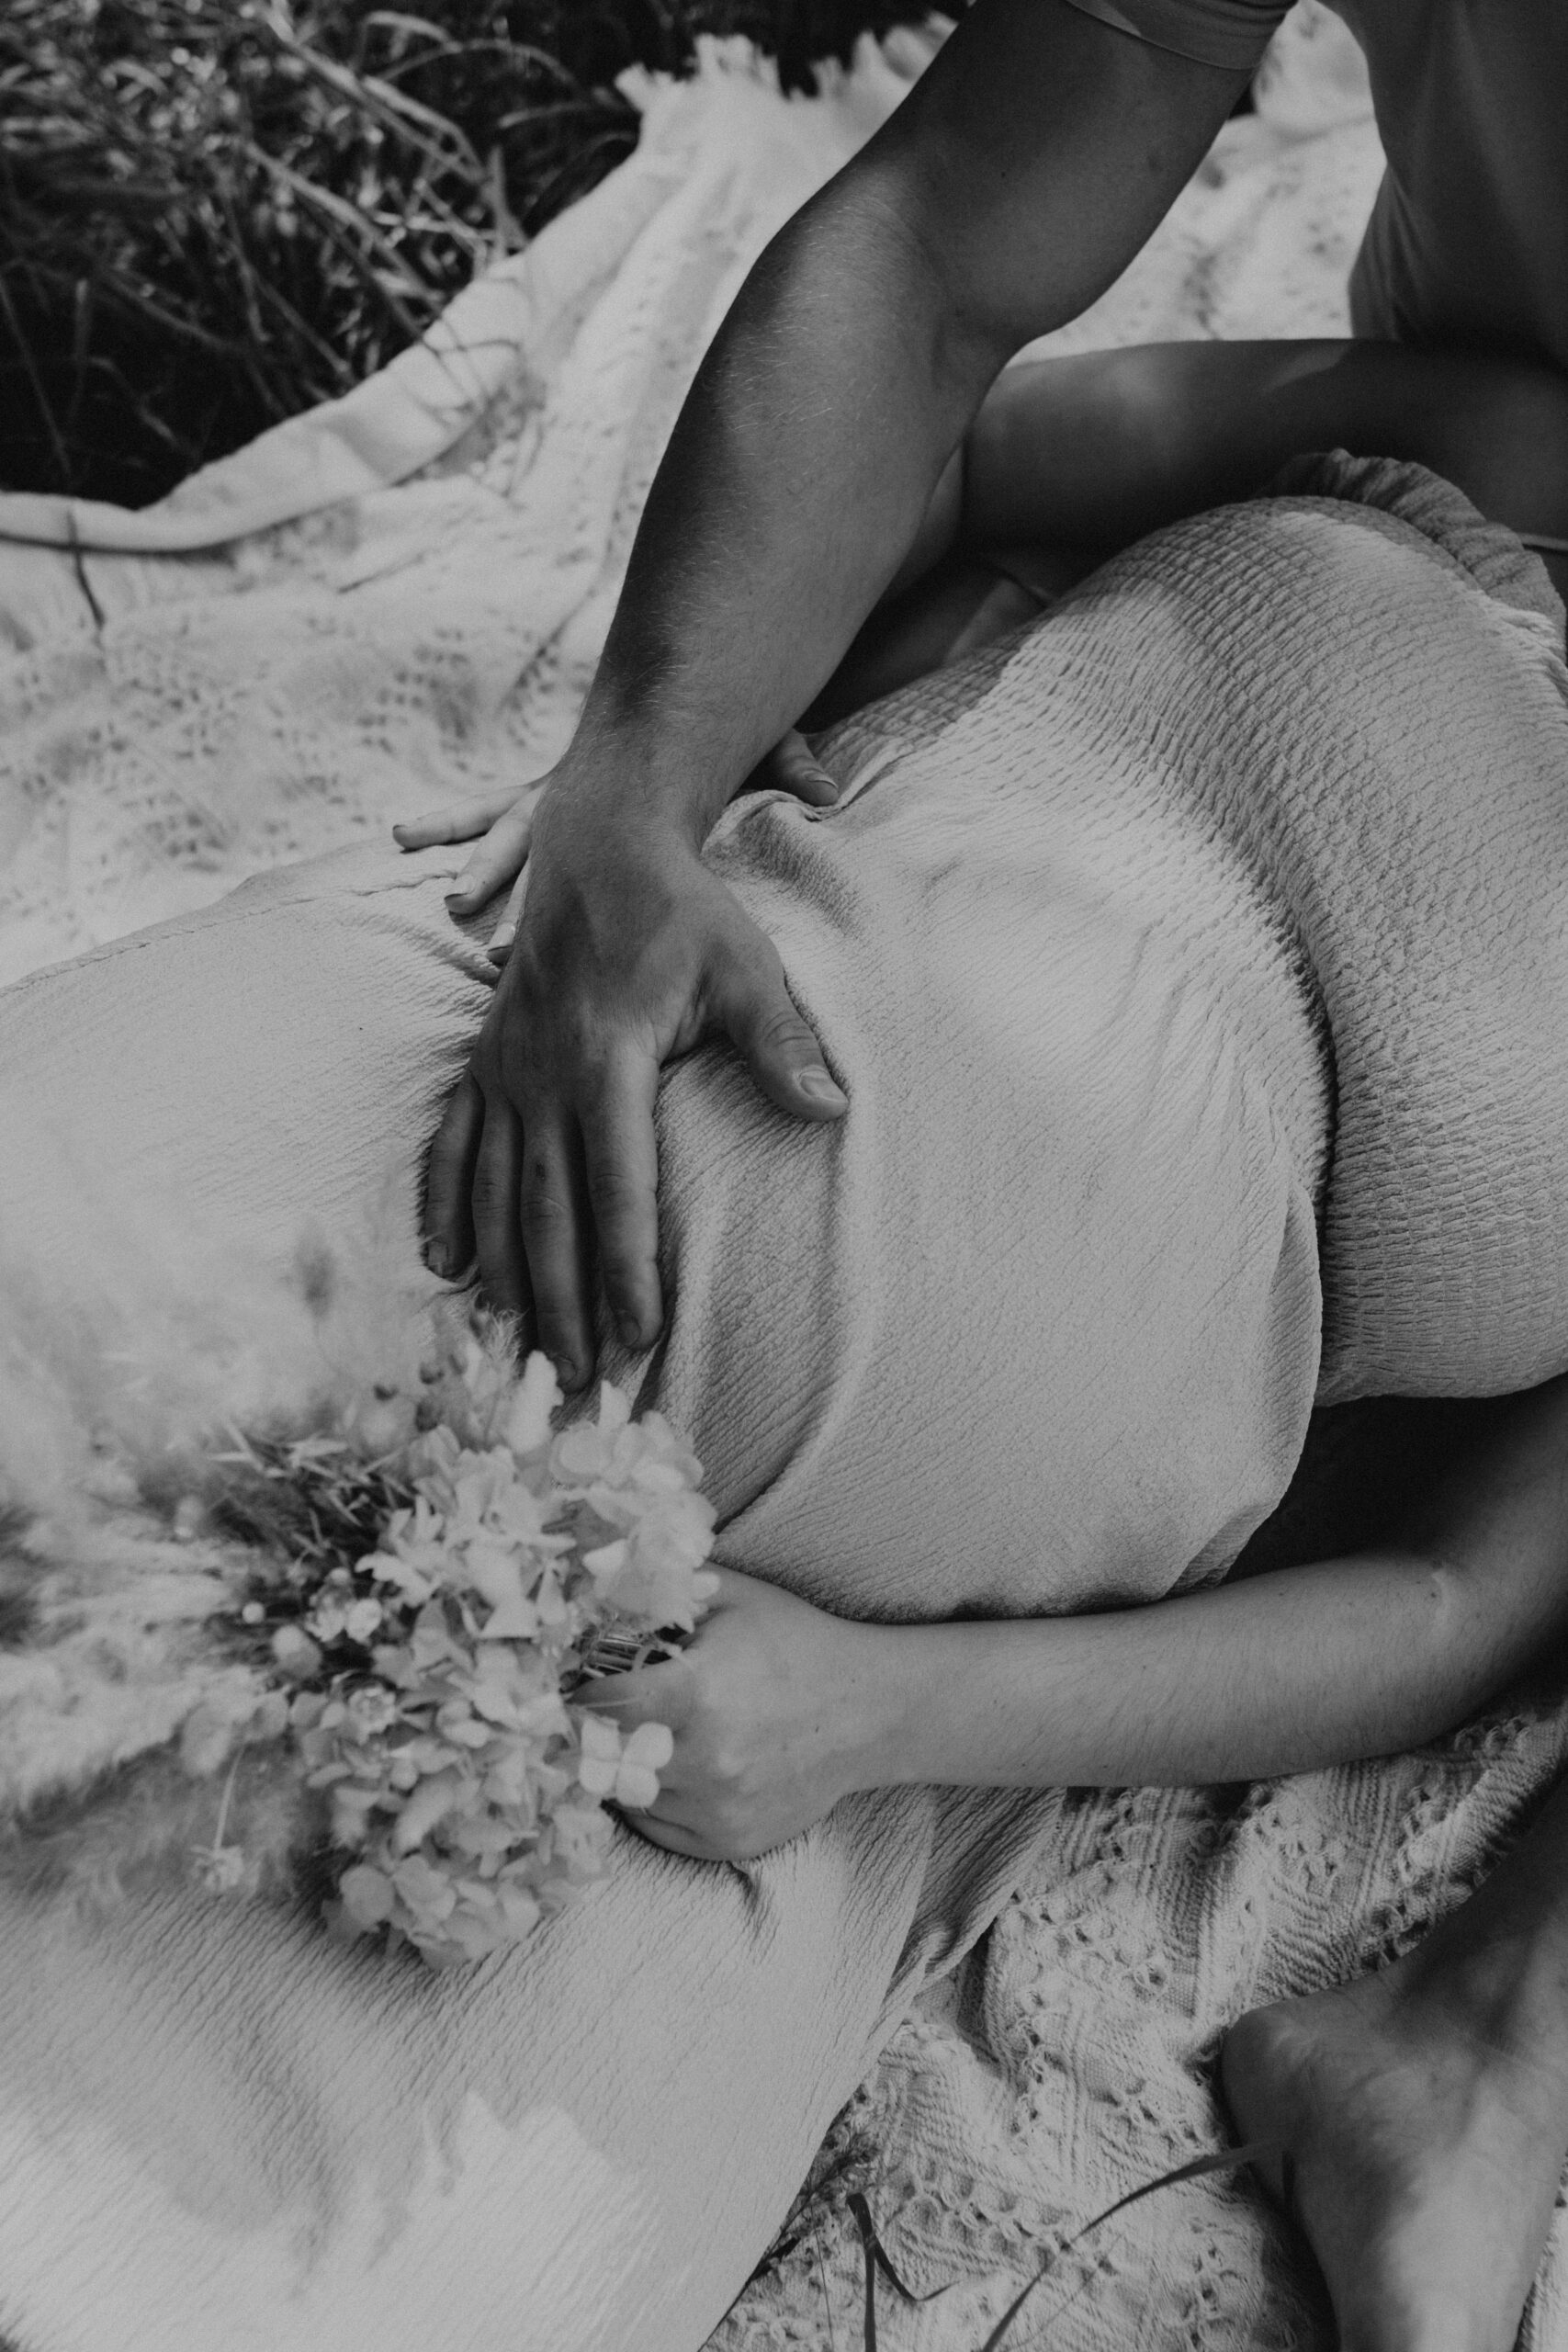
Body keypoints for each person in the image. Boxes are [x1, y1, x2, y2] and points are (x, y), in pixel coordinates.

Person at [2, 428, 1567, 2346]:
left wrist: (871, 1712)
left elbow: (1446, 1607)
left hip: (816, 1642)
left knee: (287, 2242)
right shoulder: (1501, 439)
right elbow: (931, 435)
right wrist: (636, 786)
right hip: (501, 1081)